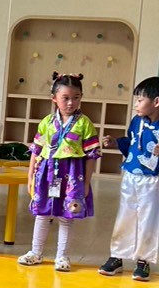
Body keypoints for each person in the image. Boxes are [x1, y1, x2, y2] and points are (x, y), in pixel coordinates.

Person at [99, 76, 159, 282]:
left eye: (140, 100)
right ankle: (117, 256)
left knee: (149, 218)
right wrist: (115, 142)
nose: (136, 104)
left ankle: (143, 260)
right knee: (125, 215)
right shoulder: (136, 121)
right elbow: (131, 142)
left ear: (156, 102)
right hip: (131, 176)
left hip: (153, 180)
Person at [18, 73, 99, 271]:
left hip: (72, 175)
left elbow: (91, 155)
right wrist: (30, 176)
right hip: (47, 174)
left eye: (76, 97)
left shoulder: (85, 124)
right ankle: (35, 253)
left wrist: (86, 183)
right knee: (42, 214)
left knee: (66, 216)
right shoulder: (46, 122)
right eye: (65, 98)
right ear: (54, 98)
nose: (71, 102)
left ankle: (62, 256)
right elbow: (36, 150)